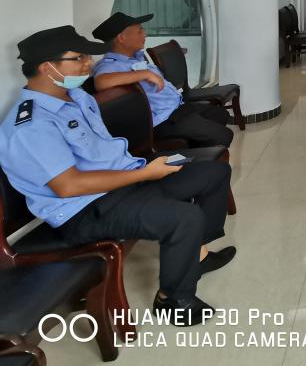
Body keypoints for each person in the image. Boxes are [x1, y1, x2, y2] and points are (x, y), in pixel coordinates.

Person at [0, 26, 236, 325]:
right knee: (183, 217)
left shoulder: (76, 97)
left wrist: (144, 170)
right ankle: (174, 300)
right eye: (78, 58)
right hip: (84, 210)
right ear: (47, 67)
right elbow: (68, 186)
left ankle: (196, 256)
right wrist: (146, 173)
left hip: (123, 181)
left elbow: (101, 152)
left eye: (87, 56)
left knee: (214, 172)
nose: (88, 63)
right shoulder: (30, 125)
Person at [91, 13, 233, 148]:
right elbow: (101, 82)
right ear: (121, 38)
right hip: (163, 120)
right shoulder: (110, 65)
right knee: (224, 136)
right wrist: (144, 74)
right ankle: (200, 154)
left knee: (220, 114)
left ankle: (196, 151)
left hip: (176, 108)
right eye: (140, 31)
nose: (145, 35)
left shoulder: (134, 58)